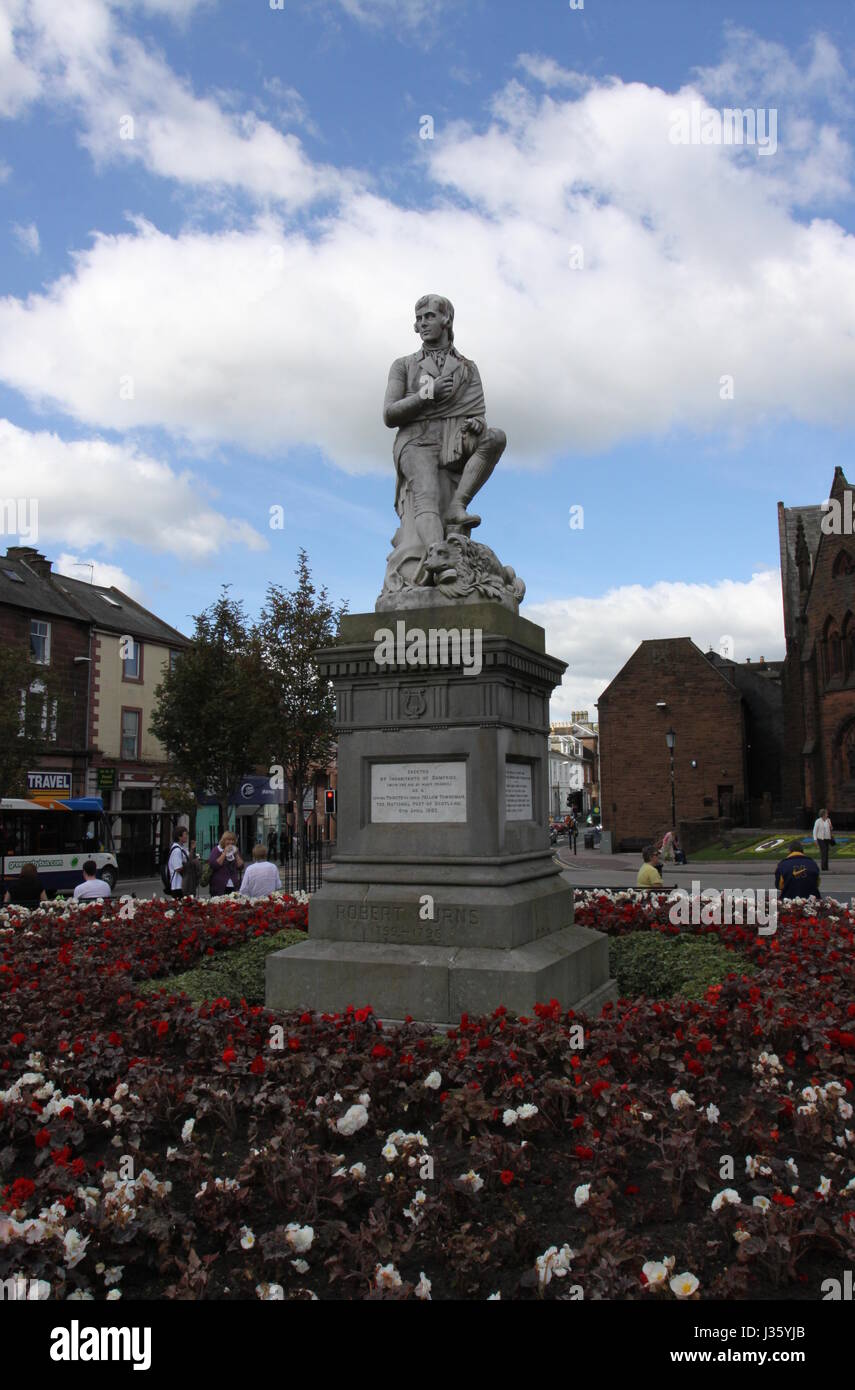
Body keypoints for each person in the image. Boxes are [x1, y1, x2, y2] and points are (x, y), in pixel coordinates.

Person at [381, 293, 507, 593]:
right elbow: (389, 414)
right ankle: (442, 564)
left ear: (446, 320)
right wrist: (429, 393)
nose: (422, 323)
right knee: (426, 493)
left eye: (429, 316)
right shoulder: (404, 365)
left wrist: (477, 424)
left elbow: (476, 412)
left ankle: (458, 506)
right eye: (419, 318)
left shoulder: (467, 367)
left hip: (453, 438)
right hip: (416, 440)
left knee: (496, 437)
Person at [207, 831, 244, 897]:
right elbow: (214, 865)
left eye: (233, 840)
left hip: (233, 886)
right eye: (229, 840)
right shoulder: (216, 850)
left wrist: (236, 855)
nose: (231, 842)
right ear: (223, 840)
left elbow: (241, 866)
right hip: (219, 886)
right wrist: (224, 853)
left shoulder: (235, 850)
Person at [166, 827, 190, 900]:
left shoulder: (182, 848)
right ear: (179, 837)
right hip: (178, 885)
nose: (187, 836)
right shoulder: (177, 850)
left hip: (182, 884)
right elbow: (178, 868)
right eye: (185, 834)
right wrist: (188, 865)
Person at [812, 808, 833, 872]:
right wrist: (815, 839)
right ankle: (823, 867)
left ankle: (826, 867)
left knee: (826, 853)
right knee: (824, 852)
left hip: (827, 838)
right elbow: (815, 831)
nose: (827, 814)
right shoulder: (818, 821)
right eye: (826, 813)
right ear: (823, 814)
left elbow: (831, 828)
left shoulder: (828, 820)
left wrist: (831, 827)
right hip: (821, 839)